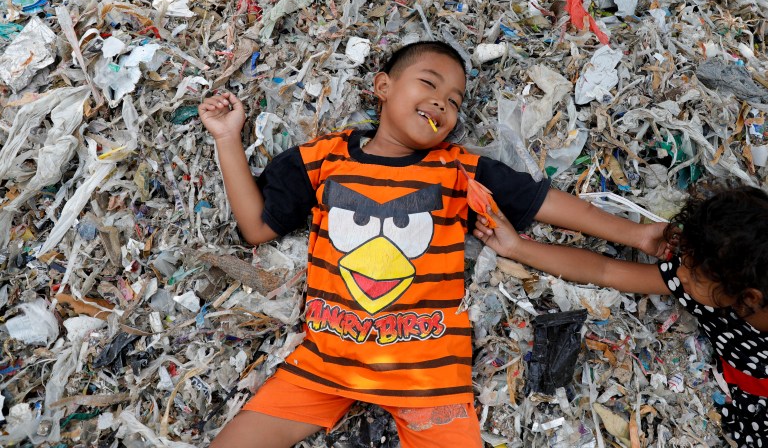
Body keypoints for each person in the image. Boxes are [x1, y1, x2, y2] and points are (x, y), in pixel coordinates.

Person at [199, 40, 667, 448]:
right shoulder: (323, 158)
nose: (441, 103)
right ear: (383, 87)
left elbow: (546, 204)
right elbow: (257, 228)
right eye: (428, 83)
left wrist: (639, 234)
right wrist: (227, 138)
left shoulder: (458, 170)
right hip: (325, 364)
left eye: (454, 100)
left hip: (430, 378)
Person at [473, 184, 768, 448]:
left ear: (743, 294)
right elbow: (604, 270)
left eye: (688, 269)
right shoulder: (696, 281)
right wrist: (517, 246)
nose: (674, 272)